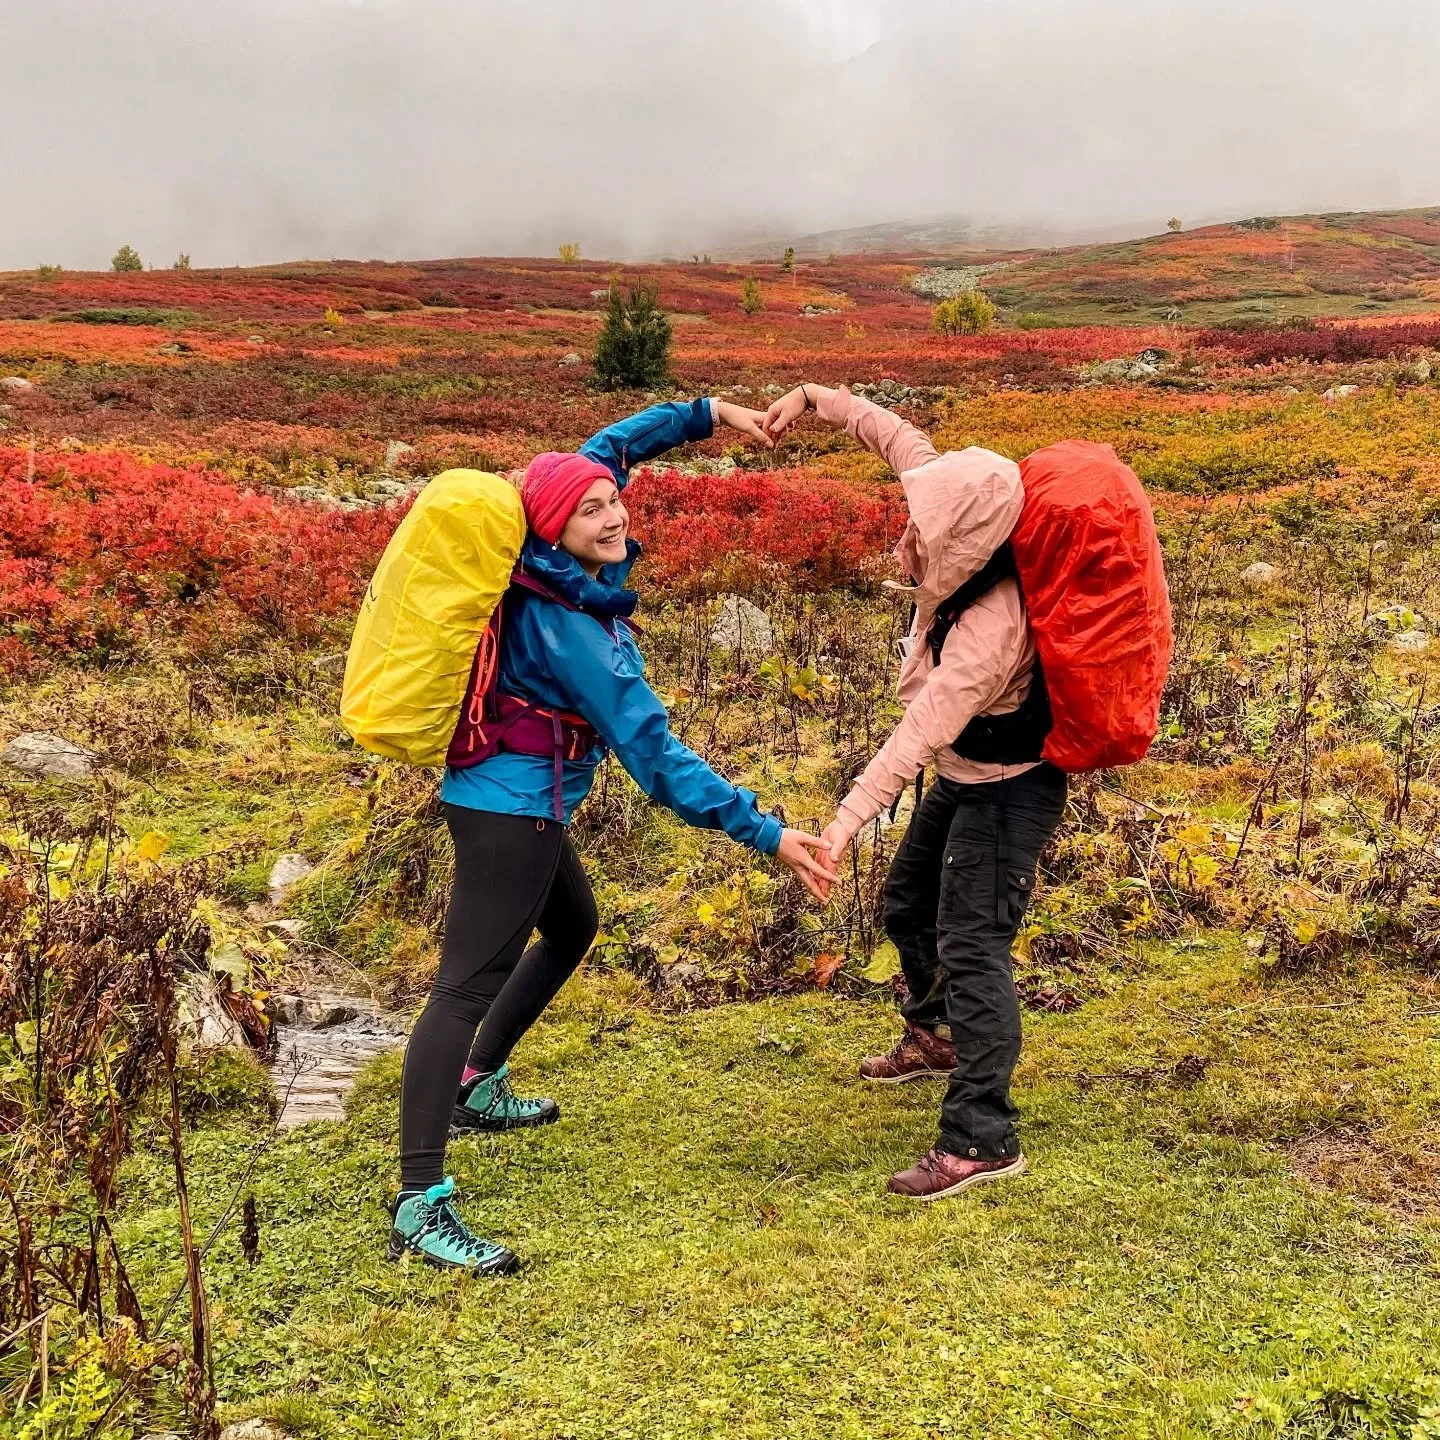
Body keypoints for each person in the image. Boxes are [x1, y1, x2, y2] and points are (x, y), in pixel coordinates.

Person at [390, 397, 837, 1273]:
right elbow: (655, 755)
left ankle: (478, 1084)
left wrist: (707, 414)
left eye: (613, 501)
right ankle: (418, 1202)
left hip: (512, 797)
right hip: (513, 811)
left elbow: (607, 452)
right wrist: (767, 833)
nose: (613, 515)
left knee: (573, 927)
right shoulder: (574, 632)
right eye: (591, 510)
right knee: (460, 990)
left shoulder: (544, 556)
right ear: (555, 529)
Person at [764, 383, 1067, 1203]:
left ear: (965, 540)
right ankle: (935, 1038)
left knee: (974, 947)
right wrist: (813, 398)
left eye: (925, 533)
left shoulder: (993, 626)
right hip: (965, 777)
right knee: (906, 905)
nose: (908, 537)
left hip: (1008, 792)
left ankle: (982, 1136)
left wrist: (842, 825)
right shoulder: (958, 503)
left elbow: (918, 734)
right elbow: (894, 436)